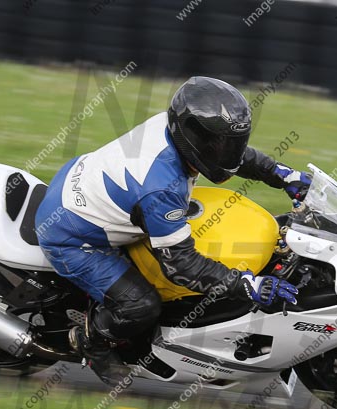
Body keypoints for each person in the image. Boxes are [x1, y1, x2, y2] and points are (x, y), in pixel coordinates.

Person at [35, 76, 311, 384]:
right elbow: (181, 266)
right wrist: (248, 285)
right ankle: (91, 340)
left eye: (231, 143)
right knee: (141, 305)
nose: (227, 152)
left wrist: (281, 174)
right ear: (194, 137)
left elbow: (231, 158)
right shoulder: (161, 188)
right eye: (219, 144)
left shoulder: (174, 130)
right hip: (73, 238)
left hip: (83, 185)